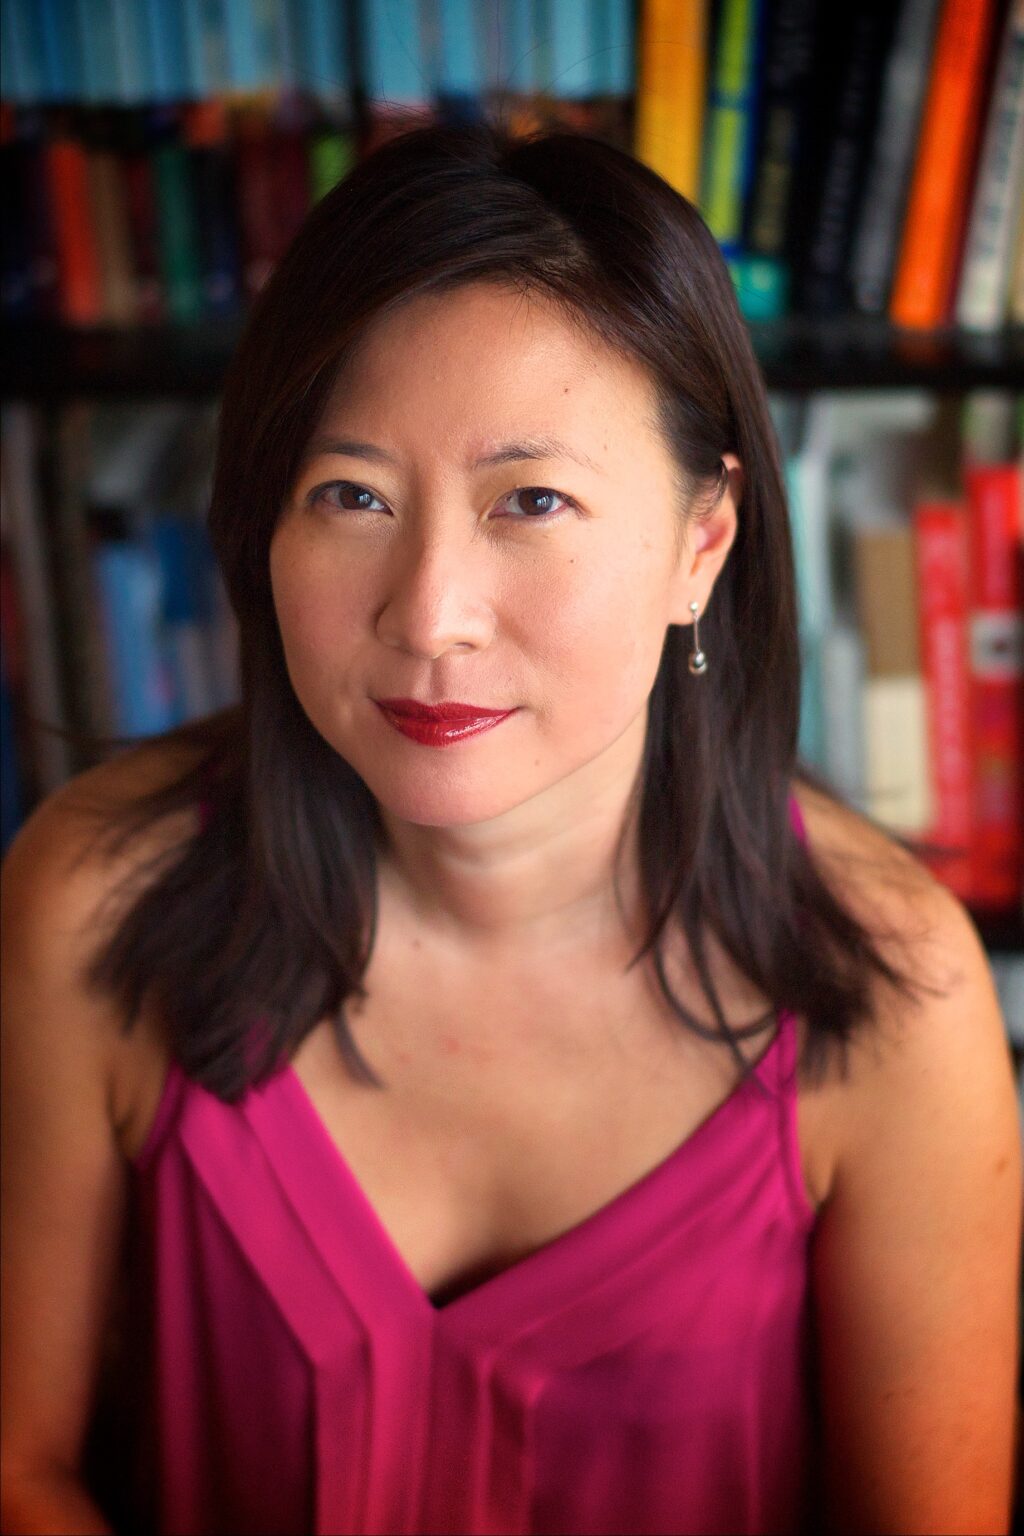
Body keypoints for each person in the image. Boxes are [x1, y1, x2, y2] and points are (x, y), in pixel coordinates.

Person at [1, 120, 1019, 1536]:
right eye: (351, 496)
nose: (428, 616)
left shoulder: (896, 996)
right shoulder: (93, 900)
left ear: (700, 544)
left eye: (531, 502)